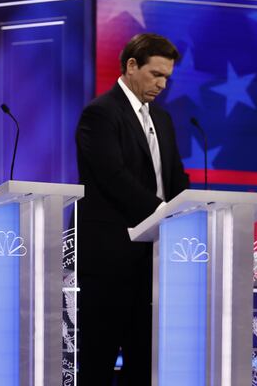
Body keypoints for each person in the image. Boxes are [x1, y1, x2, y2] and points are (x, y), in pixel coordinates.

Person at [75, 33, 190, 385]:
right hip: (109, 260)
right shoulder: (100, 113)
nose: (162, 84)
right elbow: (114, 178)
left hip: (152, 262)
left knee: (144, 361)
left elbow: (175, 177)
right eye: (156, 74)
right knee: (99, 360)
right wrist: (163, 212)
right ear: (131, 66)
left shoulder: (163, 120)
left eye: (167, 77)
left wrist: (190, 210)